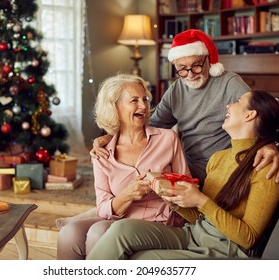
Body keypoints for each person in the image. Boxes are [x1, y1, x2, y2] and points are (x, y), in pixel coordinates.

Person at [87, 90, 279, 260]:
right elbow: (199, 217)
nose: (228, 106)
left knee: (139, 260)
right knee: (122, 230)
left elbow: (248, 238)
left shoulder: (267, 167)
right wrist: (172, 198)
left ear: (250, 115)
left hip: (225, 251)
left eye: (237, 102)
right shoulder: (219, 158)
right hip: (194, 235)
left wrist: (200, 200)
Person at [91, 29, 279, 186]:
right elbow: (153, 124)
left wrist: (269, 145)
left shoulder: (229, 83)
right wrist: (111, 137)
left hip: (219, 167)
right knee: (135, 180)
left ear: (208, 60)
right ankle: (100, 215)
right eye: (182, 69)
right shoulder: (176, 90)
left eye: (196, 66)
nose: (190, 74)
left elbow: (259, 113)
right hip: (185, 164)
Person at [57, 73, 192, 259]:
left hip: (159, 221)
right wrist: (128, 195)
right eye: (134, 100)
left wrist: (168, 191)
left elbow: (187, 186)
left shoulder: (168, 139)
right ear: (115, 107)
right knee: (69, 233)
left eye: (145, 99)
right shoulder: (102, 153)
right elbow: (103, 206)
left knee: (98, 231)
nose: (144, 106)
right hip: (119, 218)